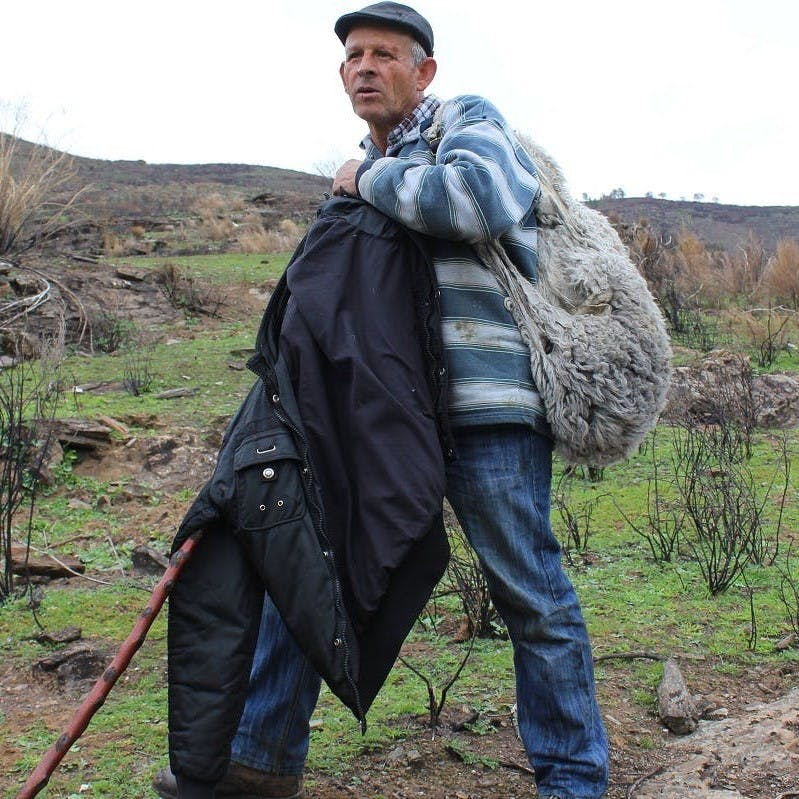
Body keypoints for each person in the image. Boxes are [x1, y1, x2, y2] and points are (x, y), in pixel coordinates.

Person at [154, 3, 609, 798]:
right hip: (380, 416)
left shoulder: (463, 123)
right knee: (311, 568)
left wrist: (367, 177)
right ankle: (257, 761)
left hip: (485, 411)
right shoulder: (362, 167)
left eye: (384, 54)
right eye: (353, 56)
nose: (364, 66)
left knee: (530, 596)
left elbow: (477, 201)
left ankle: (574, 782)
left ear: (423, 71)